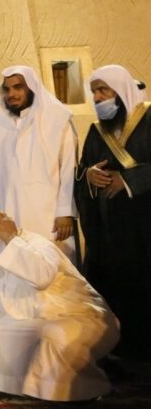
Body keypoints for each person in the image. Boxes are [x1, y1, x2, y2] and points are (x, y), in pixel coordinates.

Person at [0, 211, 119, 402]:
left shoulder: (37, 245)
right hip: (38, 323)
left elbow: (41, 277)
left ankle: (84, 386)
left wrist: (11, 239)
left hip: (85, 319)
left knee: (55, 333)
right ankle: (17, 385)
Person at [75, 64, 151, 360]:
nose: (97, 98)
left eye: (103, 90)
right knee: (117, 290)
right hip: (111, 233)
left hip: (145, 227)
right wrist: (89, 176)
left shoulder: (149, 119)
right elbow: (82, 171)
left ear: (121, 90)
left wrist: (128, 180)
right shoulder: (97, 131)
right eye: (94, 92)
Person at [0, 66, 77, 259]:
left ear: (31, 88)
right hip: (9, 211)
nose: (11, 94)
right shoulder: (0, 122)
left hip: (48, 215)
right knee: (15, 265)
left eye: (18, 87)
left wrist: (65, 211)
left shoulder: (57, 117)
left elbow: (68, 169)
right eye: (7, 89)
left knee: (50, 266)